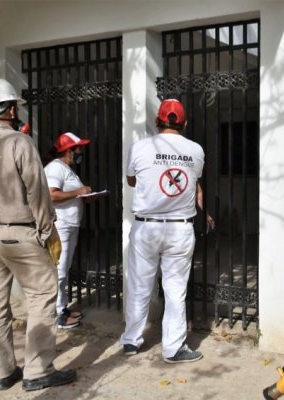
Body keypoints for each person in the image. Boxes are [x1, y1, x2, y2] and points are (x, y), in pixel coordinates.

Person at [0, 78, 76, 391]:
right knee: (42, 295)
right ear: (11, 108)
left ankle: (3, 372)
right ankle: (38, 370)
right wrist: (47, 229)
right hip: (19, 232)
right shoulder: (19, 143)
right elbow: (38, 192)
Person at [120, 98, 214, 363]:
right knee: (175, 290)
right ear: (184, 123)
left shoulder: (140, 147)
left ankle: (131, 340)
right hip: (179, 230)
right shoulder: (195, 150)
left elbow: (131, 179)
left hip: (146, 227)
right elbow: (193, 183)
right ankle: (173, 348)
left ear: (156, 121)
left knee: (139, 285)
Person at [44, 132, 92, 329]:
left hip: (70, 225)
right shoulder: (55, 168)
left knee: (64, 268)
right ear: (68, 151)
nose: (80, 151)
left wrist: (85, 196)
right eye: (77, 148)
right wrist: (79, 192)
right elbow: (51, 195)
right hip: (61, 225)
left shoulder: (66, 169)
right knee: (59, 270)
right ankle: (57, 316)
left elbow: (69, 195)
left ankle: (62, 307)